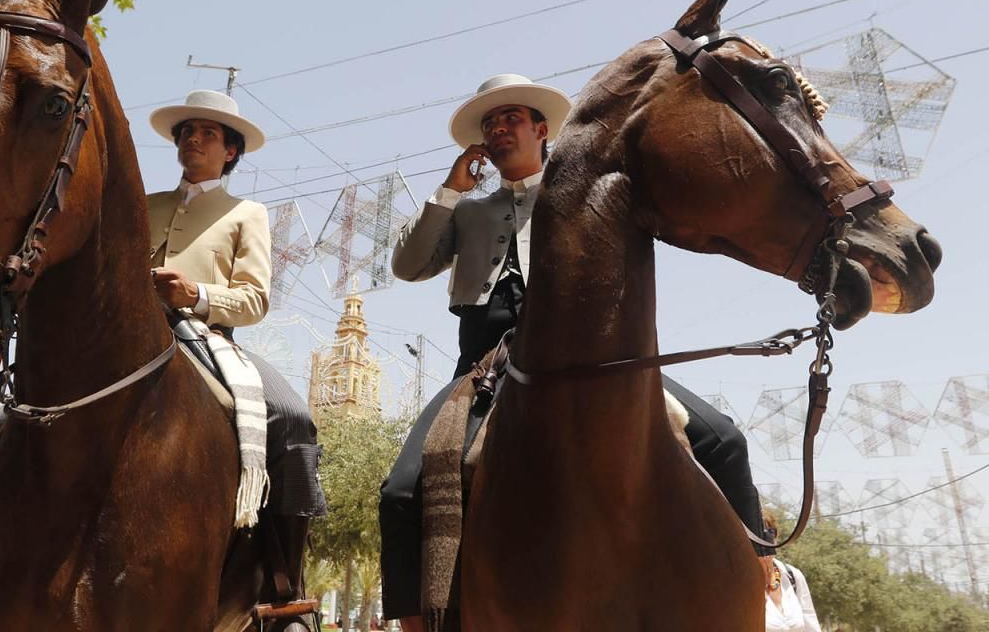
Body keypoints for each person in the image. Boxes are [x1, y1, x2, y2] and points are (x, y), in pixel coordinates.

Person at [379, 74, 771, 630]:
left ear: (542, 130)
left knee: (724, 437)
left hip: (591, 364)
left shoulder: (583, 194)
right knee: (401, 489)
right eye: (489, 123)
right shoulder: (467, 213)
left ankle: (757, 568)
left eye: (510, 118)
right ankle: (418, 617)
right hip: (483, 372)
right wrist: (451, 189)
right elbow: (408, 264)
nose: (497, 129)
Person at [147, 89, 326, 617]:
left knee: (293, 419)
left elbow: (254, 300)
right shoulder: (143, 203)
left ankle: (285, 593)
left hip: (206, 336)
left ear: (230, 151)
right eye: (185, 132)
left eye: (206, 133)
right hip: (128, 330)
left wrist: (194, 295)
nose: (191, 140)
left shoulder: (248, 212)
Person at [762, 511, 822, 632]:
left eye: (770, 532)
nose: (766, 539)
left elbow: (811, 626)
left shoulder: (793, 575)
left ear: (776, 537)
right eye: (759, 534)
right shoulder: (742, 585)